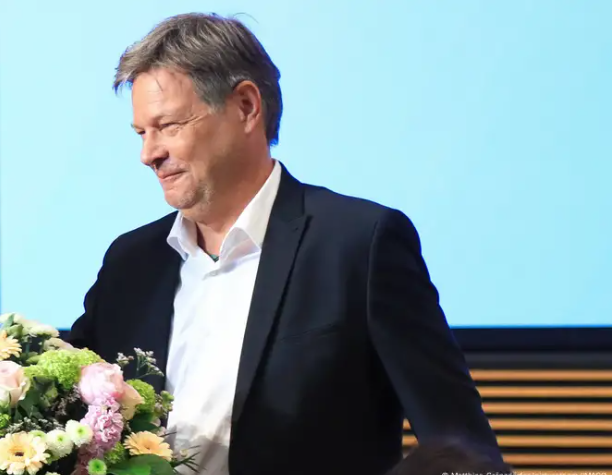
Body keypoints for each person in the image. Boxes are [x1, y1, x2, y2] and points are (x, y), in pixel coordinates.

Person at [66, 13, 501, 475]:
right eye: (141, 133)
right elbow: (63, 411)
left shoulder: (359, 245)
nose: (148, 153)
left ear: (246, 106)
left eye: (169, 125)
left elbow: (463, 449)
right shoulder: (130, 264)